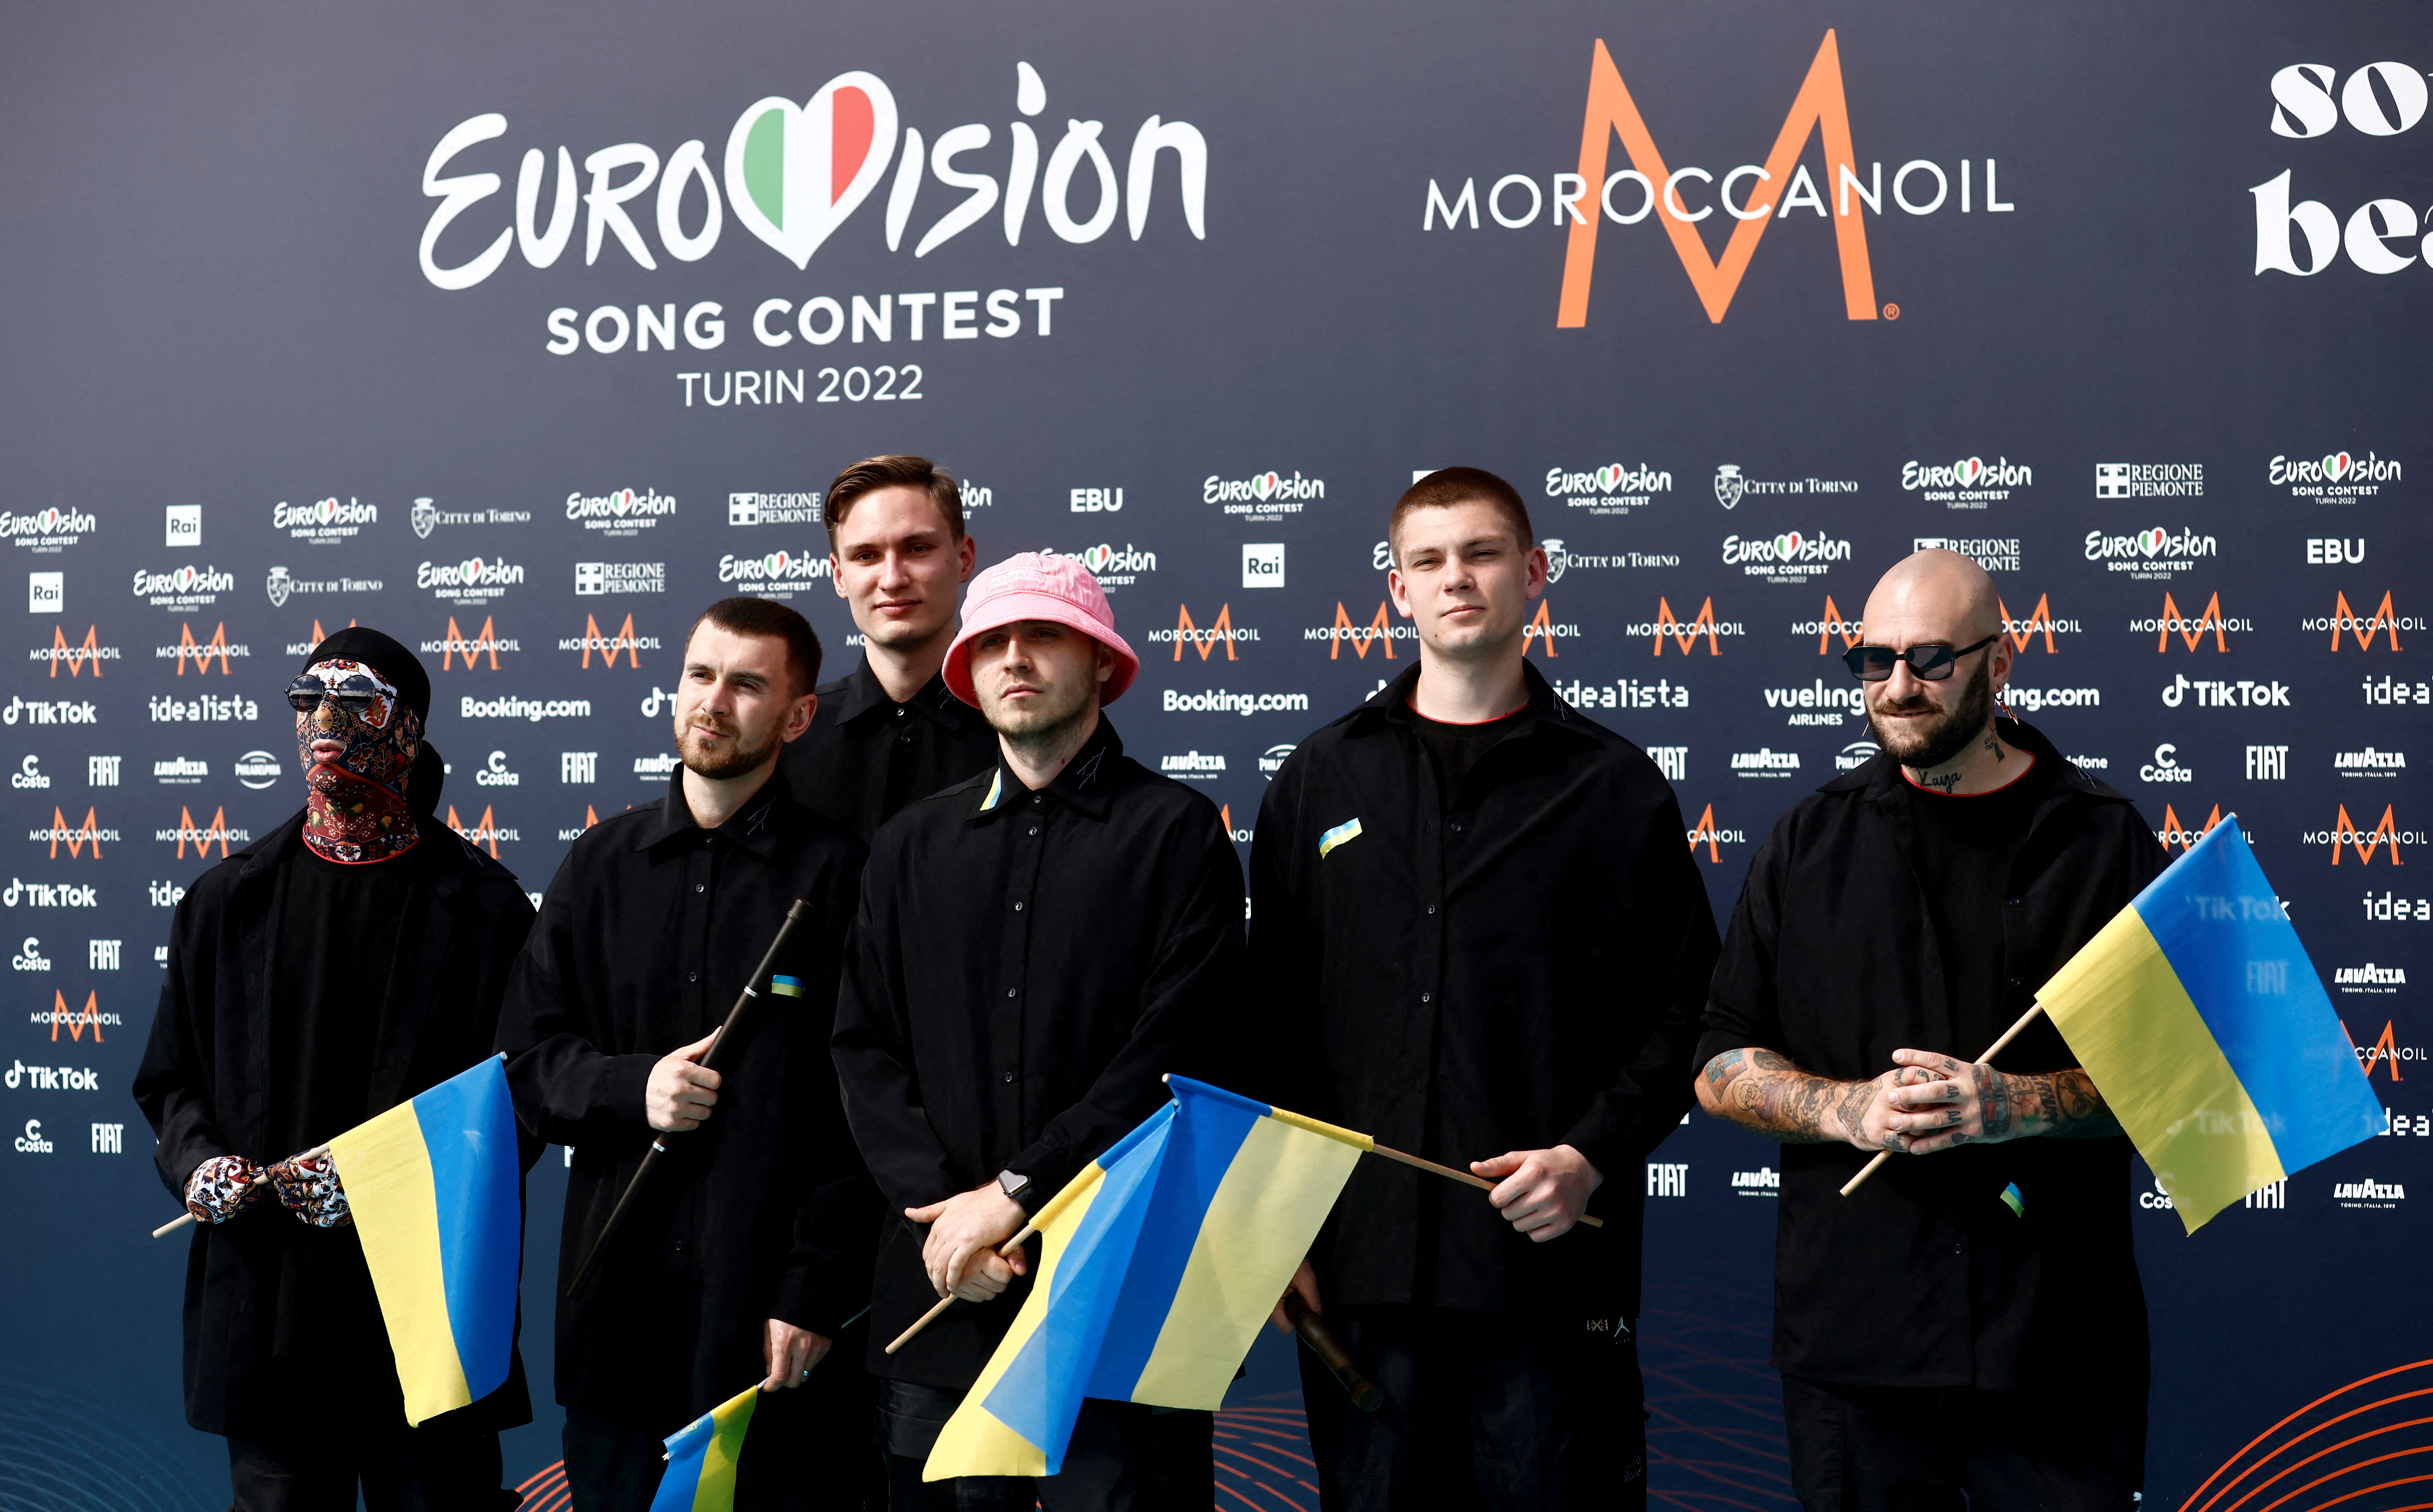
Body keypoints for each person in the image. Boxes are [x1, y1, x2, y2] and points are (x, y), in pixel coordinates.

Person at [1247, 468, 1718, 1512]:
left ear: (1535, 572)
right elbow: (1271, 1031)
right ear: (1397, 594)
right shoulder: (1322, 779)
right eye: (1429, 561)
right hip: (1359, 1278)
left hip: (1546, 1284)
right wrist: (1267, 1231)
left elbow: (1686, 1013)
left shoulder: (1613, 787)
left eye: (1482, 553)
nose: (1456, 578)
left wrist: (1590, 1156)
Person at [1695, 548, 2163, 1511]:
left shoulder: (2105, 839)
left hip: (2055, 1347)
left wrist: (2016, 1104)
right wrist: (1847, 1110)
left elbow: (2179, 1082)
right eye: (1873, 661)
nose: (1897, 687)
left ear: (1999, 662)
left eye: (1930, 659)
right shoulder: (1805, 841)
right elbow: (1716, 1057)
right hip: (1855, 1351)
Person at [832, 553, 1238, 1510]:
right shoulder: (909, 846)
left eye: (1043, 636)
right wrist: (948, 1217)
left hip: (1120, 1290)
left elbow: (1172, 1052)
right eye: (993, 643)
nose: (1014, 660)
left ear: (1101, 662)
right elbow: (864, 1046)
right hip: (941, 1289)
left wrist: (1015, 1193)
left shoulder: (1176, 833)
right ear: (968, 675)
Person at [134, 627, 535, 1511]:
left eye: (356, 704)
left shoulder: (485, 909)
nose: (324, 722)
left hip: (426, 1306)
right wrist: (201, 1165)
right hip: (270, 1312)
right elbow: (170, 1082)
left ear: (407, 732)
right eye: (306, 700)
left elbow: (522, 1106)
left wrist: (382, 1182)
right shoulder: (227, 899)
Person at [496, 597, 878, 1511]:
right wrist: (638, 1090)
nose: (713, 702)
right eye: (700, 675)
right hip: (615, 1327)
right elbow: (527, 1066)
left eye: (747, 684)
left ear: (796, 715)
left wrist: (812, 1289)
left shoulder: (842, 878)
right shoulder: (599, 865)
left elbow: (867, 1105)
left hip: (770, 1333)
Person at [780, 454, 996, 846]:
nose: (893, 579)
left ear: (964, 559)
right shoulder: (787, 734)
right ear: (840, 576)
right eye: (866, 556)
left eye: (917, 549)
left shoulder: (1018, 727)